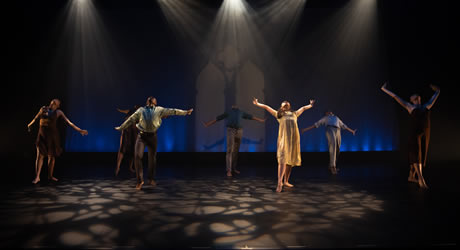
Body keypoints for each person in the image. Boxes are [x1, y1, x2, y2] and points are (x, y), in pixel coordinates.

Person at [115, 96, 193, 190]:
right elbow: (131, 119)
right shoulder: (141, 110)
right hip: (142, 136)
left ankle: (151, 178)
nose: (151, 100)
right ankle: (140, 181)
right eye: (149, 99)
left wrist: (185, 112)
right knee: (137, 156)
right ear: (148, 102)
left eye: (152, 99)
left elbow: (173, 111)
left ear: (154, 102)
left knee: (152, 158)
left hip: (152, 137)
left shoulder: (159, 110)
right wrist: (121, 127)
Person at [381, 82, 440, 189]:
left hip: (425, 134)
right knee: (416, 154)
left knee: (420, 155)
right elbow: (396, 97)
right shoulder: (410, 107)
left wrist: (437, 90)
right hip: (415, 134)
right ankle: (421, 179)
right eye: (414, 96)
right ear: (411, 100)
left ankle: (411, 176)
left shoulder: (427, 106)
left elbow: (436, 95)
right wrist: (384, 89)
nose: (416, 96)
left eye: (418, 96)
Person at [253, 97, 315, 192]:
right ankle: (279, 183)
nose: (286, 103)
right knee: (282, 160)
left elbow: (303, 108)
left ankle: (286, 181)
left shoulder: (294, 114)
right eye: (284, 103)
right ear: (281, 107)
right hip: (283, 140)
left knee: (289, 161)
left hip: (293, 140)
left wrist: (310, 105)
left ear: (289, 106)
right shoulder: (279, 114)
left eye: (287, 103)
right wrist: (257, 104)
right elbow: (266, 107)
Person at [27, 99, 88, 184]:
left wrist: (80, 130)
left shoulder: (59, 112)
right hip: (42, 136)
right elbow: (36, 117)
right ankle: (37, 177)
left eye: (56, 103)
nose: (53, 103)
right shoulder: (43, 109)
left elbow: (69, 122)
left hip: (52, 137)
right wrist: (30, 124)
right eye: (53, 101)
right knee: (40, 156)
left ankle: (50, 176)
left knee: (52, 157)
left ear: (58, 106)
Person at [203, 104, 266, 177]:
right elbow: (218, 118)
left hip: (239, 131)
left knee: (235, 151)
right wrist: (208, 124)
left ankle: (233, 168)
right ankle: (229, 170)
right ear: (232, 107)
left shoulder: (241, 112)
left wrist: (260, 120)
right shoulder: (229, 112)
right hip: (231, 130)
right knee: (229, 150)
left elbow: (251, 117)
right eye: (233, 106)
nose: (234, 106)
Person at [115, 105, 140, 176]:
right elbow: (124, 111)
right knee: (122, 149)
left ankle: (130, 167)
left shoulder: (140, 113)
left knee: (134, 150)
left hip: (134, 132)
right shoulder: (130, 112)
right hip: (127, 131)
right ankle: (117, 167)